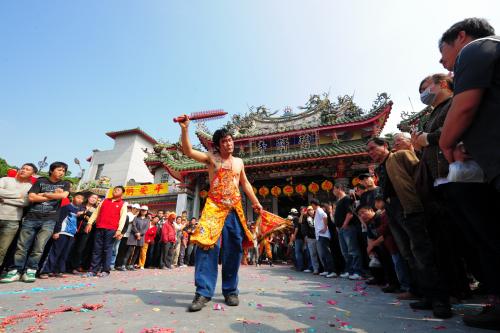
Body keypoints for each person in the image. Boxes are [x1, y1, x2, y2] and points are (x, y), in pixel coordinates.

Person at [437, 18, 500, 330]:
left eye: (443, 52)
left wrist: (446, 142)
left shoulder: (476, 49)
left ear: (460, 37)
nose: (442, 61)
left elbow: (464, 107)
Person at [178, 116, 262, 312]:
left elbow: (245, 184)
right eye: (224, 141)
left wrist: (256, 202)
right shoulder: (211, 158)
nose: (229, 143)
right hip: (213, 208)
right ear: (218, 145)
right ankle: (203, 292)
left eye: (231, 139)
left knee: (233, 249)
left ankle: (231, 290)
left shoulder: (239, 162)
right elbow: (188, 151)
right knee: (206, 247)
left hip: (234, 208)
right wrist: (185, 129)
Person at [367, 138, 451, 319]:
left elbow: (421, 176)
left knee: (423, 253)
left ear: (385, 146)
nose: (371, 152)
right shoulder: (380, 168)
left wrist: (421, 204)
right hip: (392, 211)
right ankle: (425, 294)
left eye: (373, 148)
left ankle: (440, 300)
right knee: (408, 254)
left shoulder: (401, 156)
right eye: (369, 151)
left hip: (409, 207)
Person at [2, 162, 70, 283]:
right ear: (52, 170)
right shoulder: (40, 181)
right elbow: (32, 198)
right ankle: (15, 270)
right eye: (59, 170)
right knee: (22, 246)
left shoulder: (65, 184)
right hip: (31, 218)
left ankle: (30, 270)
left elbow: (63, 196)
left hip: (49, 220)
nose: (62, 173)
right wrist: (53, 195)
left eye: (64, 171)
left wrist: (44, 194)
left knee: (39, 247)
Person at [83, 186, 127, 278]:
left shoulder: (123, 204)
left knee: (107, 250)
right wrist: (90, 223)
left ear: (122, 193)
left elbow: (123, 218)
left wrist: (119, 230)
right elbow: (96, 213)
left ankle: (105, 270)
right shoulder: (104, 201)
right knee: (96, 249)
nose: (115, 191)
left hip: (112, 229)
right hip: (100, 227)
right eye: (114, 189)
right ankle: (93, 270)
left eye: (118, 190)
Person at [40, 193, 85, 278]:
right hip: (62, 232)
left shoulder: (78, 210)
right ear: (73, 198)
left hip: (71, 234)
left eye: (81, 199)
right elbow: (59, 219)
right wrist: (56, 231)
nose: (79, 200)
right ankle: (45, 271)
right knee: (55, 252)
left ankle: (58, 270)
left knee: (65, 253)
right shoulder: (66, 207)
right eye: (78, 197)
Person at [0, 163, 36, 270]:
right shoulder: (5, 179)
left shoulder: (30, 187)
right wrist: (18, 195)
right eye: (22, 168)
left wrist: (4, 199)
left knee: (2, 249)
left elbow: (25, 202)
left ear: (32, 173)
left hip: (13, 220)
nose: (23, 170)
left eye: (27, 169)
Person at [333, 183, 362, 280]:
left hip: (348, 227)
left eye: (334, 189)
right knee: (345, 252)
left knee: (353, 250)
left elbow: (350, 213)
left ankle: (357, 271)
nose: (333, 191)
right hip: (341, 229)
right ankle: (349, 270)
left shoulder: (347, 199)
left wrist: (344, 224)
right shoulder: (338, 201)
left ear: (340, 188)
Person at [68, 193, 99, 273]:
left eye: (95, 198)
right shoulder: (81, 205)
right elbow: (76, 214)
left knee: (80, 249)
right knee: (71, 247)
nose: (93, 199)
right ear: (88, 198)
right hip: (74, 228)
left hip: (86, 231)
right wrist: (84, 212)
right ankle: (67, 266)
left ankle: (76, 266)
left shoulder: (96, 209)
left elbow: (95, 221)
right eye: (92, 197)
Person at [123, 205, 150, 270]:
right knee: (129, 251)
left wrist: (140, 234)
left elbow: (146, 229)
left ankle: (131, 265)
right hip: (133, 236)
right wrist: (137, 233)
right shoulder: (136, 218)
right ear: (140, 211)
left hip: (141, 237)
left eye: (145, 210)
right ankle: (124, 265)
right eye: (142, 210)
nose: (143, 211)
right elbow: (133, 226)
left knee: (137, 252)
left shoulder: (147, 220)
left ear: (147, 212)